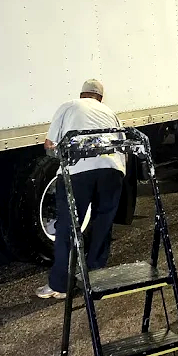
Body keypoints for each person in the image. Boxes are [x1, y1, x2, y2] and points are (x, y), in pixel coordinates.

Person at [36, 79, 126, 299]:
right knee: (103, 224)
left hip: (79, 172)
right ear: (100, 98)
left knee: (67, 226)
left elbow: (50, 145)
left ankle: (60, 286)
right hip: (112, 170)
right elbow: (122, 145)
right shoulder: (111, 113)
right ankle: (95, 278)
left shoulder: (69, 106)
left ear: (82, 94)